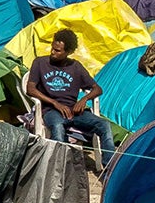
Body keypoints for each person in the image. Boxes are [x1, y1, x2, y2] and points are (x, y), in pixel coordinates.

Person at [25, 28, 115, 163]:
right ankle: (58, 166)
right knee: (57, 127)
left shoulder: (76, 67)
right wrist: (54, 103)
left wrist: (84, 99)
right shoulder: (40, 63)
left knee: (104, 125)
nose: (52, 52)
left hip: (74, 111)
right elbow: (30, 89)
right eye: (52, 48)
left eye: (58, 51)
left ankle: (109, 165)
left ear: (69, 52)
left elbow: (97, 89)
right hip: (51, 110)